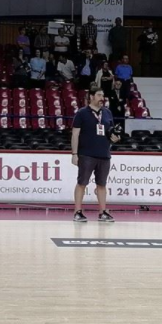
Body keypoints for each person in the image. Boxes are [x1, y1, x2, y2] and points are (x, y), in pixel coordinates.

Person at [71, 86, 120, 222]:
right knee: (82, 183)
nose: (102, 98)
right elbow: (75, 134)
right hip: (86, 154)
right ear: (91, 97)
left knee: (102, 184)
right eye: (99, 95)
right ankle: (77, 212)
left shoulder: (107, 113)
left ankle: (103, 212)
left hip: (104, 153)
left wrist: (115, 138)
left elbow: (111, 132)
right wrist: (74, 153)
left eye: (102, 95)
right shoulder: (81, 113)